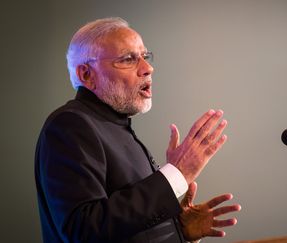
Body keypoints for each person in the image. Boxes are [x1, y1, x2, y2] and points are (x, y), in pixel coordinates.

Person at [35, 17, 241, 243]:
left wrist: (179, 231)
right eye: (128, 59)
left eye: (145, 56)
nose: (148, 68)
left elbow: (127, 225)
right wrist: (177, 173)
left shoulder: (115, 125)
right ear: (87, 75)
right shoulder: (71, 125)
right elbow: (84, 230)